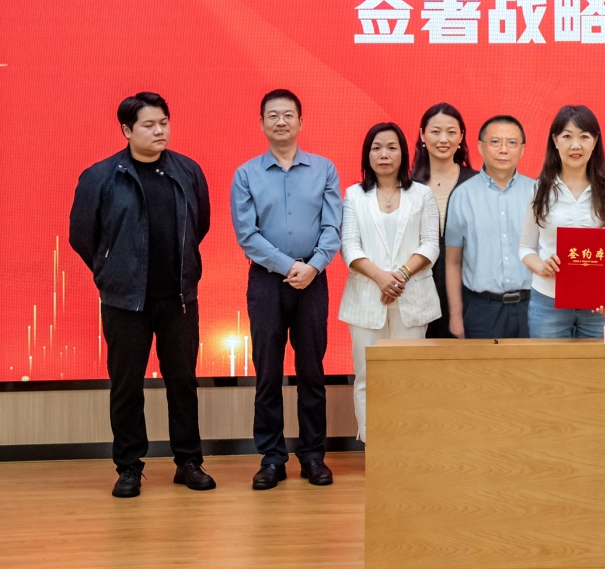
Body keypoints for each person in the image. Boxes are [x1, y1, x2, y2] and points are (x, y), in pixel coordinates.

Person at [68, 92, 215, 498]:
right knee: (126, 385)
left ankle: (189, 462)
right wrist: (110, 271)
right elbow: (82, 235)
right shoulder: (100, 176)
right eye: (149, 125)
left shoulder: (188, 171)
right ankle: (129, 467)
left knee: (182, 381)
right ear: (126, 130)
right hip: (125, 302)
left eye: (164, 123)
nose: (159, 131)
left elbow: (199, 224)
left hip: (179, 299)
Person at [231, 89, 342, 490]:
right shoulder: (246, 174)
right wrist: (287, 265)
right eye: (273, 115)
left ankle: (313, 456)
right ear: (262, 123)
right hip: (266, 281)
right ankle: (272, 458)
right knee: (268, 373)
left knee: (312, 371)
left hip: (313, 279)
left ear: (301, 122)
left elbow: (333, 226)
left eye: (288, 115)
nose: (281, 121)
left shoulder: (324, 169)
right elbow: (247, 235)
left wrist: (313, 266)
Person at [339, 122, 440, 442]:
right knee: (367, 377)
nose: (384, 154)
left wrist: (401, 275)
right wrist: (381, 277)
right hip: (367, 298)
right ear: (367, 154)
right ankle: (375, 446)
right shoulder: (354, 195)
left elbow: (430, 244)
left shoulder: (422, 194)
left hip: (412, 298)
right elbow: (349, 246)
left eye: (392, 147)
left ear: (403, 153)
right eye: (377, 148)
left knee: (408, 376)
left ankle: (406, 445)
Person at [520, 105, 605, 338]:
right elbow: (525, 248)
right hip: (548, 302)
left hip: (599, 305)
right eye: (567, 136)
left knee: (598, 363)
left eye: (584, 137)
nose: (575, 145)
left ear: (595, 141)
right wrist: (541, 266)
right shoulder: (540, 189)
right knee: (549, 363)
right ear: (555, 140)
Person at [444, 116, 538, 339]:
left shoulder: (538, 193)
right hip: (481, 310)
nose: (503, 149)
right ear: (480, 146)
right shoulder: (462, 196)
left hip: (532, 307)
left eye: (512, 143)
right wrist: (456, 315)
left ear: (522, 149)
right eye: (495, 142)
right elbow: (453, 261)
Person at [411, 103, 477, 339]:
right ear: (422, 135)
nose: (443, 139)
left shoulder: (478, 184)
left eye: (451, 132)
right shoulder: (407, 185)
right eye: (435, 131)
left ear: (461, 136)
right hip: (416, 290)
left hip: (466, 292)